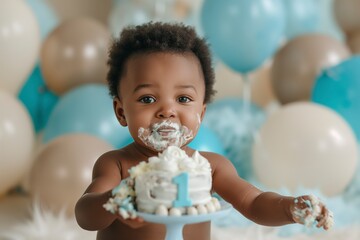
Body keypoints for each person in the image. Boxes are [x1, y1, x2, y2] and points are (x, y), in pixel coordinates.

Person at [75, 22, 333, 240]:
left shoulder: (209, 167)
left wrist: (289, 208)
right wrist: (115, 201)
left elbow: (254, 203)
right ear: (121, 112)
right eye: (147, 99)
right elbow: (85, 214)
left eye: (184, 99)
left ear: (202, 113)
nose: (167, 110)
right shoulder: (117, 165)